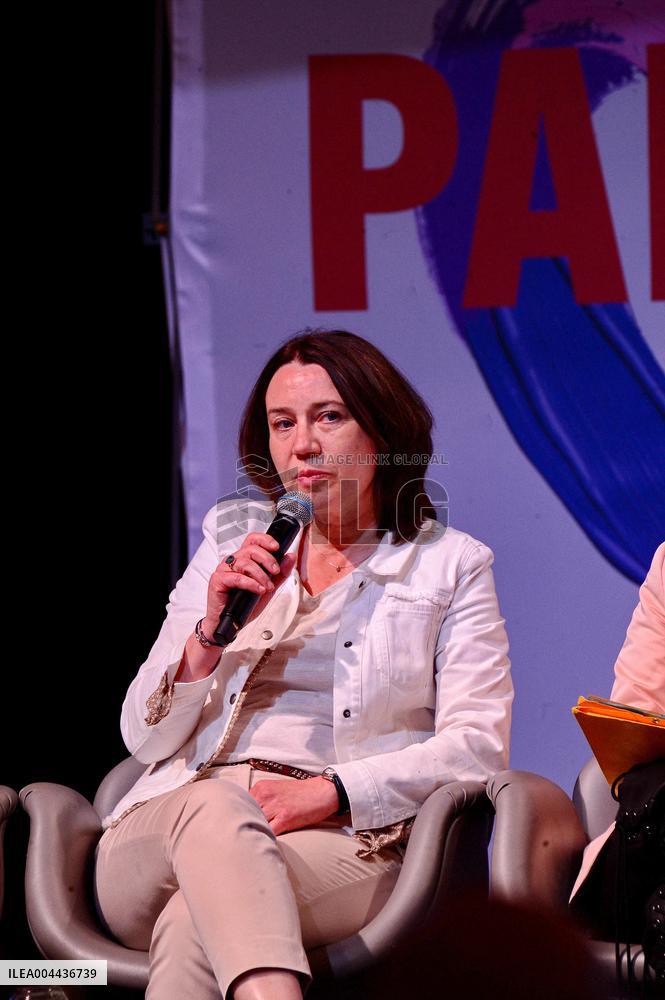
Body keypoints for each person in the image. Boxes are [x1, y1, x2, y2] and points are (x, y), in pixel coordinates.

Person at [94, 329, 513, 999]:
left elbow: (477, 748)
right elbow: (140, 737)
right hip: (164, 830)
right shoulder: (230, 543)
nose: (302, 445)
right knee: (211, 814)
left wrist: (333, 790)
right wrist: (209, 636)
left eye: (328, 417)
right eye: (281, 423)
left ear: (381, 429)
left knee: (195, 922)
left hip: (339, 837)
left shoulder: (450, 565)